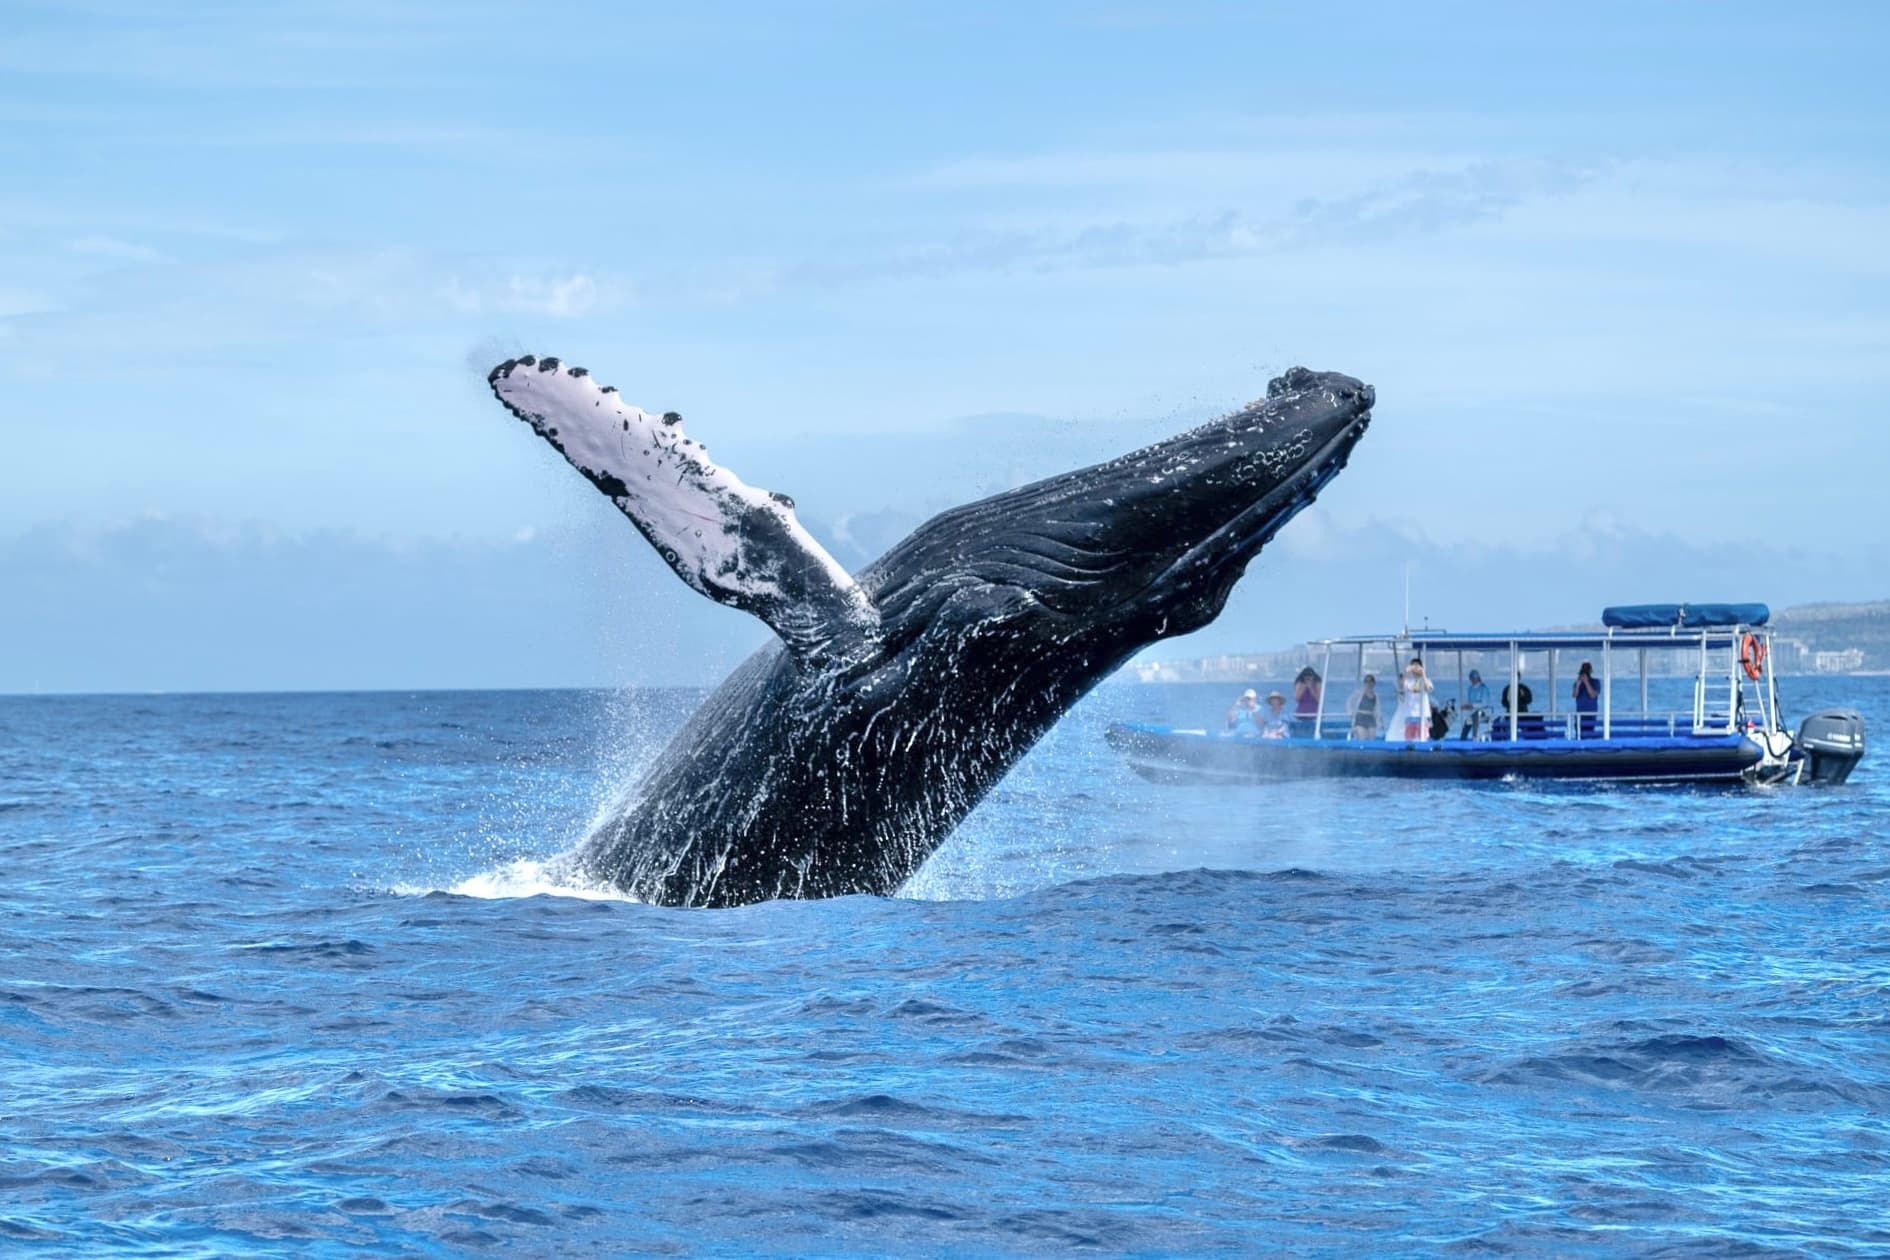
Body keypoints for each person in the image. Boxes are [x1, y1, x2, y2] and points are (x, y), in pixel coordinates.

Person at [1394, 656, 1434, 741]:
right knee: (1409, 737)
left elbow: (1428, 688)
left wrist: (1423, 674)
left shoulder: (1426, 679)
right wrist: (1406, 672)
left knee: (1423, 737)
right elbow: (1401, 687)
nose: (1415, 668)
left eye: (1417, 666)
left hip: (1423, 714)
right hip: (1410, 713)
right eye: (1413, 666)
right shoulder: (1408, 680)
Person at [1460, 668, 1492, 739]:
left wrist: (1473, 706)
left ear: (1477, 678)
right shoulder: (1470, 689)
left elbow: (1484, 703)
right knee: (1468, 720)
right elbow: (1469, 701)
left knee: (1476, 715)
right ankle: (1462, 738)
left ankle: (1475, 737)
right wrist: (1466, 706)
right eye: (1471, 679)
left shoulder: (1483, 688)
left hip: (1483, 711)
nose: (1472, 680)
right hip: (1472, 712)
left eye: (1474, 678)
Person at [1348, 674, 1381, 739]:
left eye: (1370, 681)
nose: (1368, 683)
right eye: (1366, 681)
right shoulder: (1360, 692)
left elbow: (1377, 709)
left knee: (1372, 741)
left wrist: (1379, 719)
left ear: (1374, 683)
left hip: (1371, 719)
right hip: (1360, 718)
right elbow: (1349, 701)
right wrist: (1351, 712)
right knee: (1361, 740)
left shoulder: (1376, 695)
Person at [1573, 660, 1600, 737]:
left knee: (1589, 734)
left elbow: (1593, 695)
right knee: (1579, 734)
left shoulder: (1595, 682)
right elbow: (1574, 695)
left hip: (1591, 714)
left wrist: (1586, 682)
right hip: (1580, 714)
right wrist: (1578, 685)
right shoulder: (1577, 683)